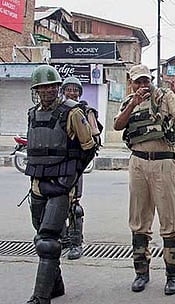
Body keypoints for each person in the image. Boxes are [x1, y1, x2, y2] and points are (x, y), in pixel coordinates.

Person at [14, 65, 97, 304]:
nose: (47, 91)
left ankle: (40, 300)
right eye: (42, 87)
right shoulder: (32, 114)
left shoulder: (72, 112)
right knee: (41, 238)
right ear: (36, 91)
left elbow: (89, 146)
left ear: (57, 87)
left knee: (49, 241)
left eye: (51, 86)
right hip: (37, 184)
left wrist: (71, 176)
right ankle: (55, 285)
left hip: (61, 184)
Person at [113, 64, 175, 295]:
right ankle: (141, 273)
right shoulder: (129, 101)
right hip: (138, 162)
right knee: (138, 220)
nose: (143, 85)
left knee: (170, 221)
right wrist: (133, 104)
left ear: (151, 80)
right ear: (131, 83)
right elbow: (118, 125)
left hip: (164, 162)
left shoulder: (165, 97)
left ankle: (173, 275)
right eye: (138, 82)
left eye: (146, 81)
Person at [60, 76, 103, 260]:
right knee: (55, 204)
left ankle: (76, 243)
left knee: (73, 206)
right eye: (69, 89)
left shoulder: (86, 111)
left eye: (75, 89)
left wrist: (80, 163)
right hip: (56, 166)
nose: (72, 92)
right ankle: (62, 239)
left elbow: (94, 139)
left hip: (74, 165)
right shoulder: (58, 110)